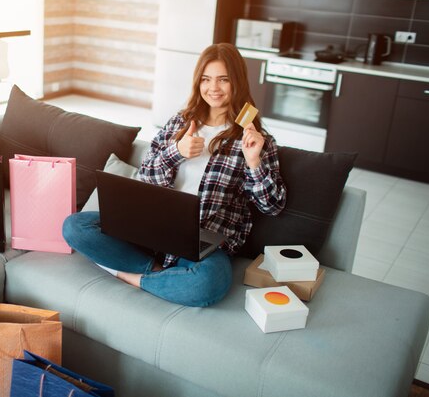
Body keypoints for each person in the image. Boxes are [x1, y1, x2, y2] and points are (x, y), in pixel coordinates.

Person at [62, 43, 287, 307]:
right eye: (206, 79)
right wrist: (176, 152)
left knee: (208, 283)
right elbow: (145, 176)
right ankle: (158, 273)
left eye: (223, 80)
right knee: (75, 226)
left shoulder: (256, 140)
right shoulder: (179, 123)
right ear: (198, 82)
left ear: (237, 82)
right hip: (154, 227)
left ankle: (132, 276)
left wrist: (254, 162)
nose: (213, 88)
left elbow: (272, 206)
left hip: (202, 241)